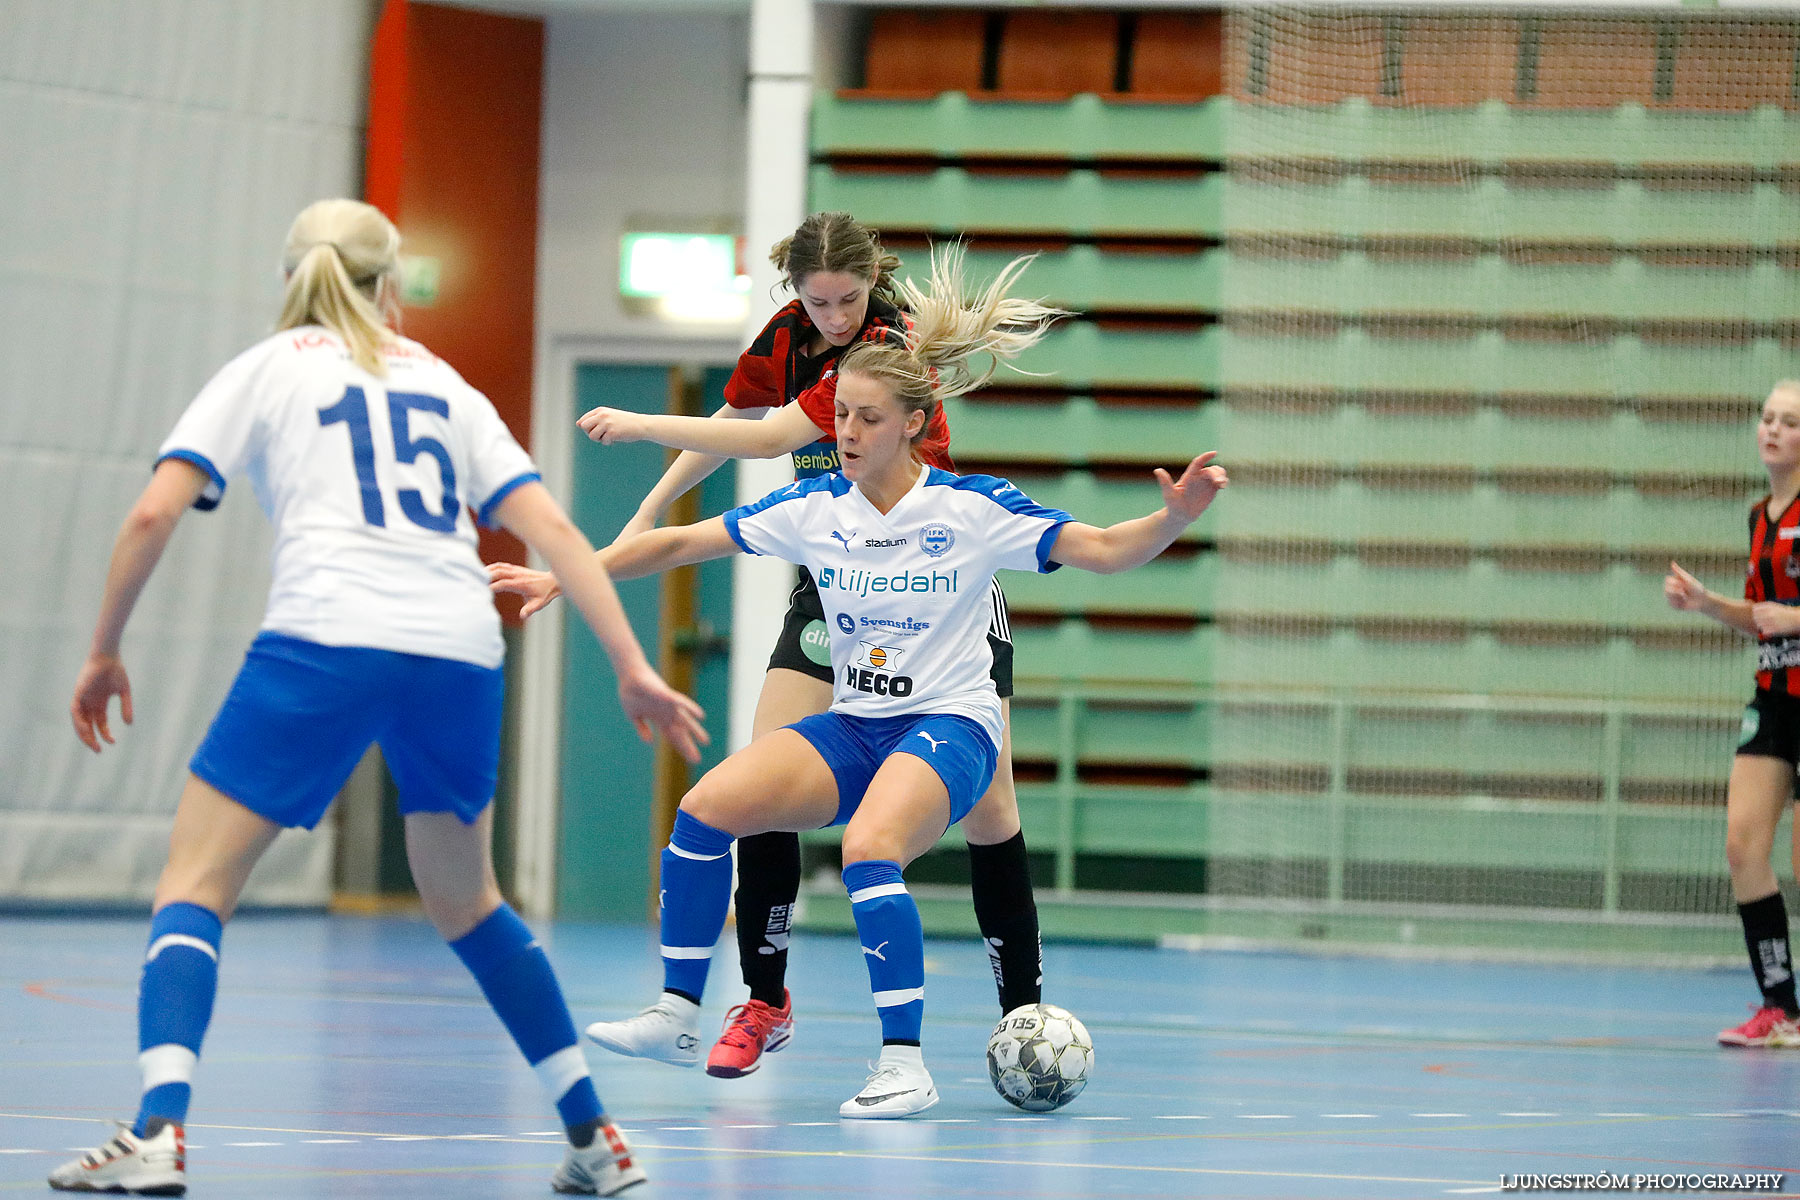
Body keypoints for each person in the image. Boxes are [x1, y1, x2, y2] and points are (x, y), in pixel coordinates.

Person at [51, 199, 705, 1196]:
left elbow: (151, 513)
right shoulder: (444, 383)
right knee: (471, 903)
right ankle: (594, 1137)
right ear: (390, 283)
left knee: (194, 887)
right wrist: (633, 665)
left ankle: (156, 1131)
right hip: (456, 647)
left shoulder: (268, 368)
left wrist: (103, 650)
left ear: (292, 278)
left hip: (327, 635)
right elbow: (558, 537)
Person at [570, 247, 1227, 1117]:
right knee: (708, 807)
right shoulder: (814, 512)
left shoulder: (971, 510)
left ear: (913, 424)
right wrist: (564, 575)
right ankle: (679, 1011)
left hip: (951, 724)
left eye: (866, 418)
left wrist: (1172, 518)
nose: (843, 432)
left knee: (870, 848)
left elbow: (1104, 550)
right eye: (839, 414)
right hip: (857, 723)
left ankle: (903, 1064)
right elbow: (678, 544)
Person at [490, 212, 1048, 1080]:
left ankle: (1023, 1016)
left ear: (873, 286)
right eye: (816, 300)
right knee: (761, 779)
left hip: (936, 586)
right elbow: (733, 413)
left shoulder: (887, 346)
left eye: (846, 300)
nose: (832, 318)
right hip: (834, 579)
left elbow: (765, 438)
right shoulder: (790, 336)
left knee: (992, 810)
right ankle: (763, 997)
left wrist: (644, 423)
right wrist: (643, 519)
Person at [1665, 379, 1800, 1050]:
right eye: (1767, 418)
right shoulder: (1759, 518)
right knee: (1743, 847)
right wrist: (1708, 604)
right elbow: (1760, 618)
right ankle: (1781, 1009)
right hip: (1775, 699)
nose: (1772, 430)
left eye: (1790, 422)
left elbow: (1786, 616)